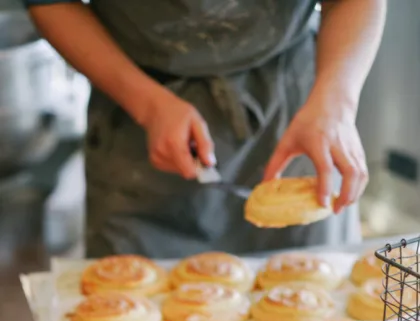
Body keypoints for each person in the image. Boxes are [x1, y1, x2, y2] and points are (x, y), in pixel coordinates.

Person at [26, 0, 386, 258]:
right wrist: (148, 104)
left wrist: (336, 104)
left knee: (318, 307)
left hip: (297, 113)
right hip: (136, 113)